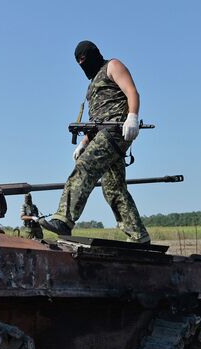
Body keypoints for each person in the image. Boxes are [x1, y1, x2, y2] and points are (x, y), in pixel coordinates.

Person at [38, 40, 150, 244]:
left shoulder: (113, 66)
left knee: (85, 166)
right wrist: (84, 143)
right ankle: (138, 235)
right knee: (113, 188)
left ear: (94, 54)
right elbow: (96, 122)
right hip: (102, 134)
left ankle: (64, 219)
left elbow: (132, 91)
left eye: (84, 58)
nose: (82, 63)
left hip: (117, 131)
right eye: (78, 61)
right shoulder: (91, 87)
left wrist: (132, 116)